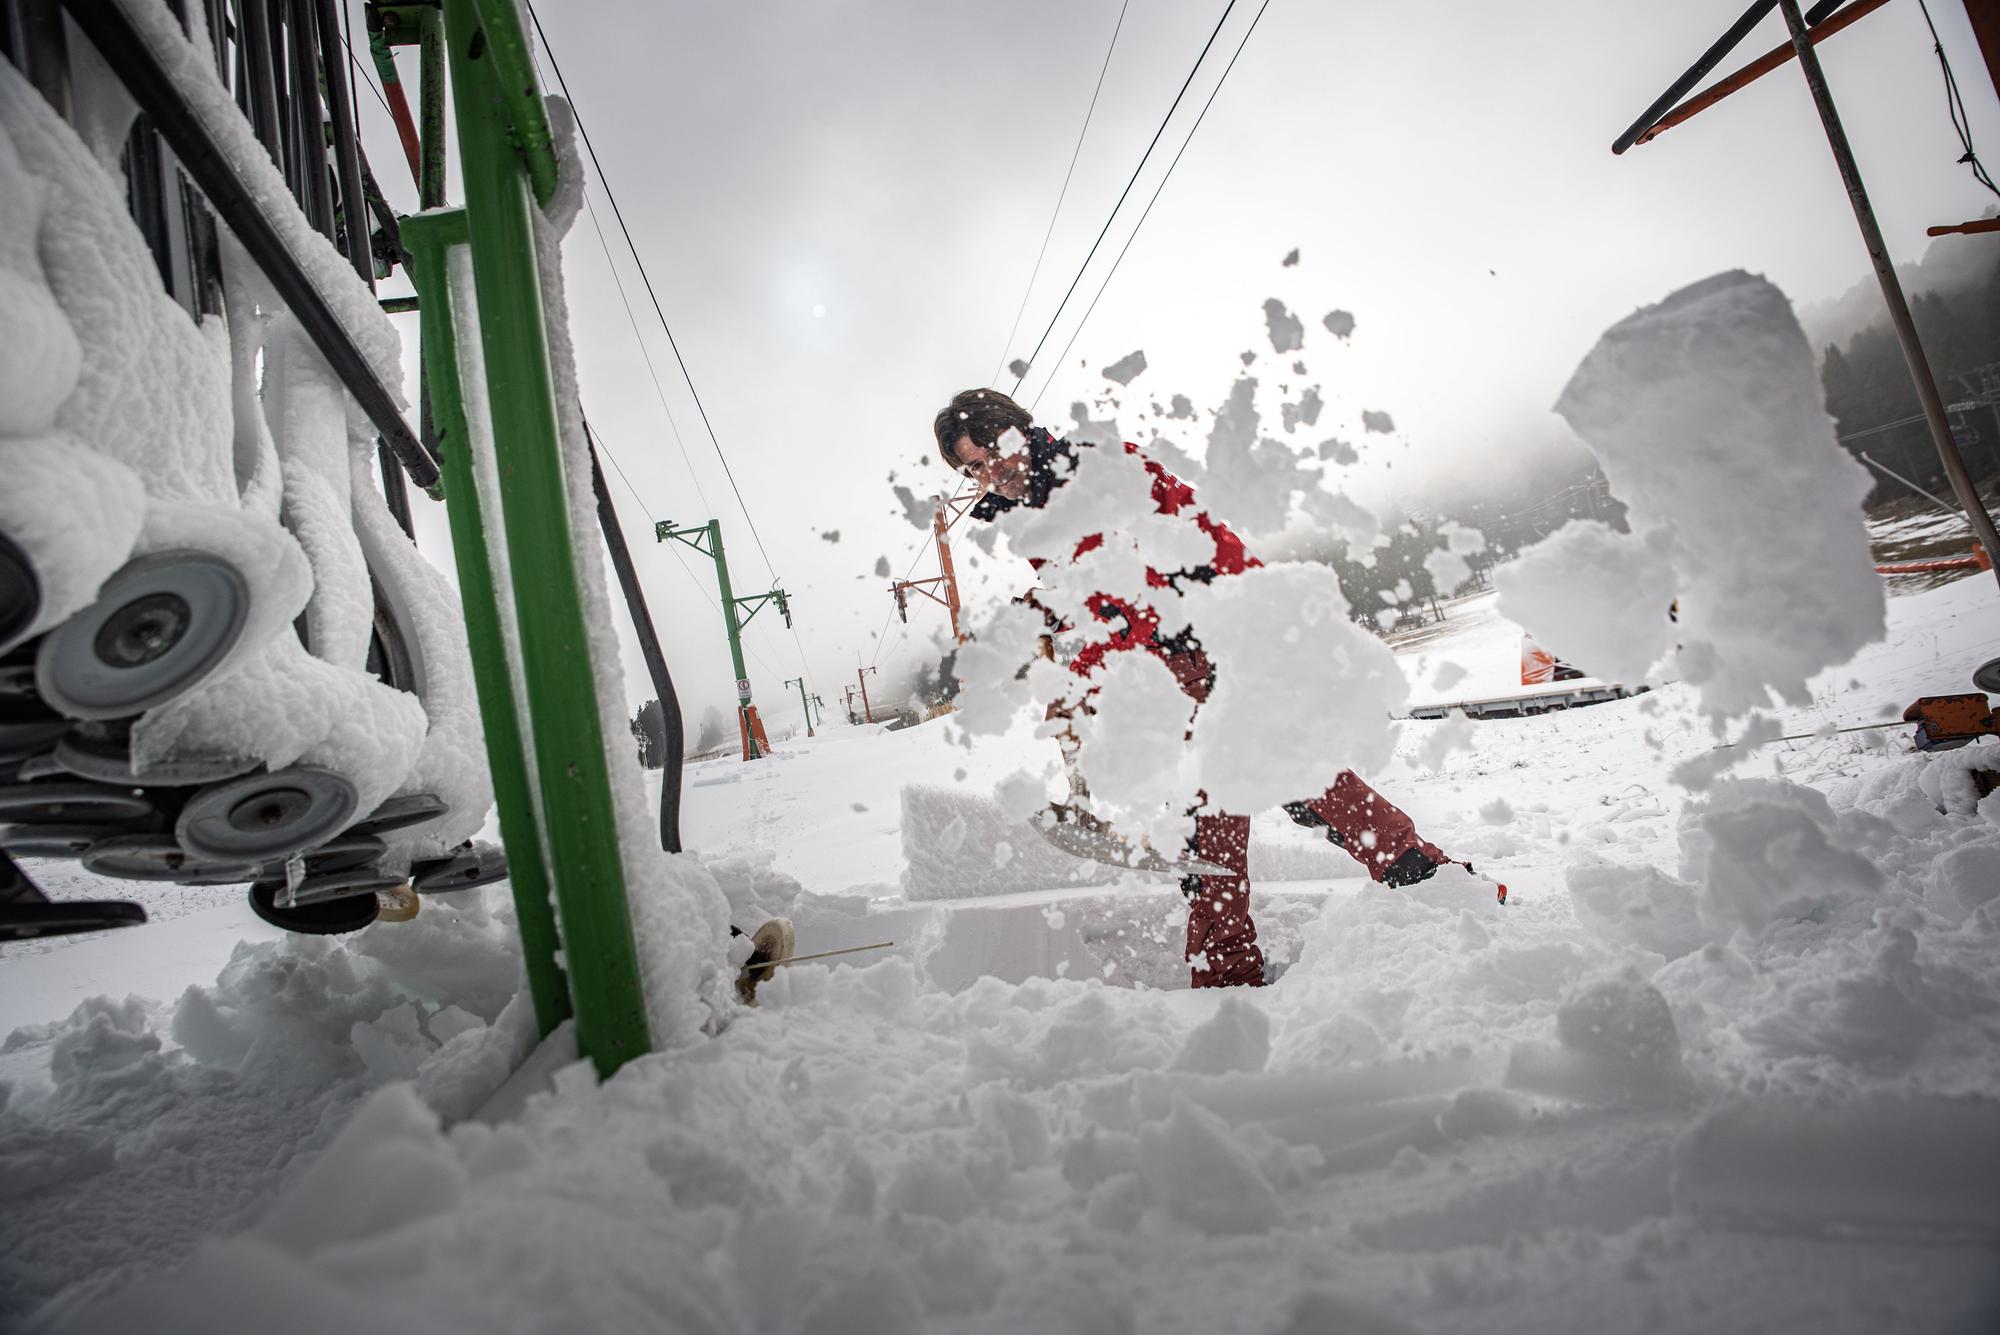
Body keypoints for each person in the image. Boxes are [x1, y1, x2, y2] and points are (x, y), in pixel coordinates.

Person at [933, 388, 1456, 989]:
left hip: (1211, 647)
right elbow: (1099, 598)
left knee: (1209, 827)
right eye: (973, 468)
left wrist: (1104, 661)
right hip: (1172, 669)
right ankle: (1424, 876)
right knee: (1283, 781)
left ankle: (1231, 978)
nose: (988, 472)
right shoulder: (1038, 512)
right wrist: (1058, 623)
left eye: (992, 450)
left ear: (1020, 431)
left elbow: (1164, 571)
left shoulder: (1102, 472)